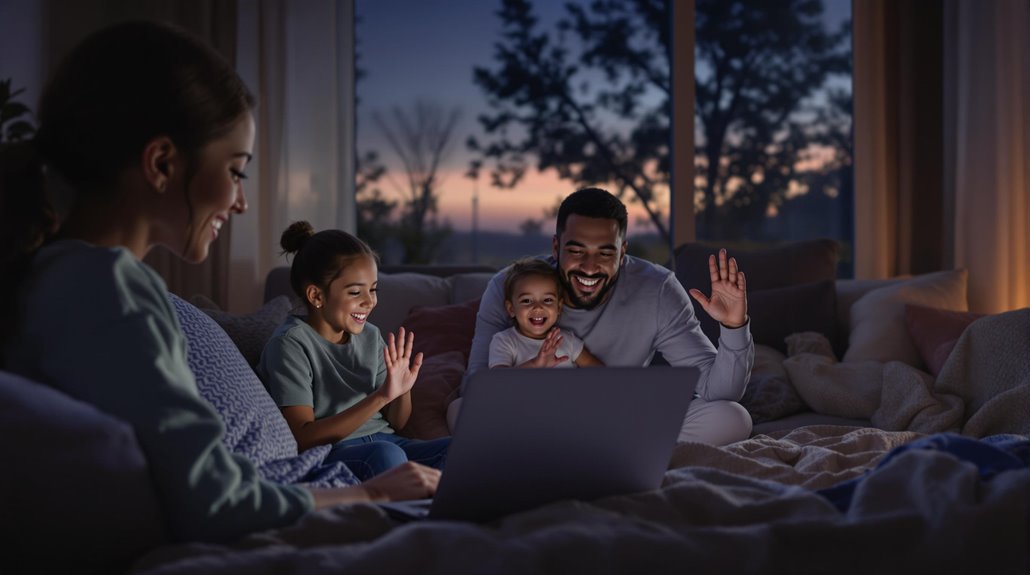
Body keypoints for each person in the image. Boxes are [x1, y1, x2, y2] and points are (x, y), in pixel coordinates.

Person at [0, 20, 437, 546]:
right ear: (162, 163)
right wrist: (372, 495)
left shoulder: (62, 273)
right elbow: (213, 498)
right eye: (235, 171)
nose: (240, 201)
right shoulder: (108, 289)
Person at [467, 188, 755, 445]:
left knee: (732, 416)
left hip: (618, 421)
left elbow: (716, 390)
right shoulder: (512, 287)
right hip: (534, 421)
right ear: (556, 248)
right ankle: (611, 455)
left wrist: (733, 327)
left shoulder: (658, 289)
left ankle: (585, 455)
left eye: (605, 253)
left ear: (622, 252)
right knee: (461, 414)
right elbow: (477, 389)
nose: (589, 268)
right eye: (577, 251)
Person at [257, 221, 451, 481]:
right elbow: (304, 437)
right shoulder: (290, 344)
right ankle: (413, 513)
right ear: (316, 296)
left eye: (373, 289)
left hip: (390, 444)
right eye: (355, 292)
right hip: (337, 451)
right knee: (386, 455)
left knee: (457, 449)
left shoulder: (370, 335)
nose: (370, 301)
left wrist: (401, 390)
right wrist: (382, 397)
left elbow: (398, 423)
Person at [489, 258, 602, 369]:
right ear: (511, 309)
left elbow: (601, 373)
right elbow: (498, 381)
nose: (538, 307)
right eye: (526, 300)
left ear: (558, 307)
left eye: (547, 300)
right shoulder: (505, 341)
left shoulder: (567, 340)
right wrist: (535, 364)